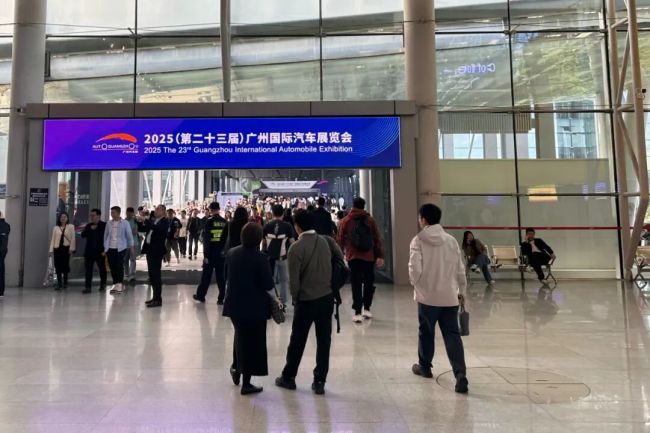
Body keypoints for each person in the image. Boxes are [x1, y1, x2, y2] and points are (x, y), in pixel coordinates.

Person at [275, 210, 344, 396]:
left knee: (297, 340)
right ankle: (319, 380)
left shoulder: (296, 248)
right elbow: (341, 262)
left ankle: (289, 377)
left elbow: (294, 282)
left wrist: (296, 299)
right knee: (324, 340)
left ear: (297, 227)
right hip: (327, 298)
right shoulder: (326, 241)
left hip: (306, 301)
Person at [408, 203, 468, 394]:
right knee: (452, 335)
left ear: (424, 219)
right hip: (449, 297)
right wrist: (462, 291)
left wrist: (418, 285)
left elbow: (414, 269)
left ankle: (425, 367)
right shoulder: (451, 241)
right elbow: (460, 269)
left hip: (427, 297)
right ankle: (460, 374)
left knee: (426, 332)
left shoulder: (418, 240)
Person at [223, 223, 274, 395]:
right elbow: (268, 284)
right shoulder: (260, 258)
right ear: (259, 239)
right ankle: (246, 382)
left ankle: (236, 368)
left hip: (234, 304)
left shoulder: (232, 253)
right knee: (253, 342)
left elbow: (225, 275)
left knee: (240, 336)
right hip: (255, 306)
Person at [336, 197, 385, 323]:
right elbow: (377, 238)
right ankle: (367, 309)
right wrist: (379, 255)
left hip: (353, 257)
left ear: (353, 206)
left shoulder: (346, 220)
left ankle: (357, 312)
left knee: (356, 284)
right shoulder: (370, 220)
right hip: (369, 256)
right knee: (369, 282)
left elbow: (340, 239)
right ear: (364, 206)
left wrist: (340, 255)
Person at [193, 202, 229, 304]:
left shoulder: (209, 221)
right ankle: (221, 298)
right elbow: (226, 239)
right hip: (221, 254)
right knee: (221, 277)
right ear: (219, 209)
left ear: (211, 210)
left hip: (210, 253)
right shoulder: (224, 222)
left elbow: (207, 240)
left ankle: (201, 296)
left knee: (206, 275)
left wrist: (205, 255)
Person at [262, 204, 293, 305]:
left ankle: (272, 303)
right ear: (283, 213)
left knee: (270, 281)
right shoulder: (287, 226)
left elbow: (264, 243)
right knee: (284, 281)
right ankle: (283, 302)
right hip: (283, 257)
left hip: (270, 257)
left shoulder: (267, 225)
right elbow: (292, 242)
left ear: (272, 213)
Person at [139, 205, 169, 308]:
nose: (155, 211)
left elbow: (158, 230)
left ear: (163, 211)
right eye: (155, 209)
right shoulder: (154, 221)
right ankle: (154, 297)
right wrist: (140, 221)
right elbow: (143, 228)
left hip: (157, 251)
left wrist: (146, 220)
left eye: (157, 209)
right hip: (150, 250)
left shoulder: (165, 221)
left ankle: (158, 299)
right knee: (151, 275)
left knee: (156, 275)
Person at [103, 206, 135, 295]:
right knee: (112, 266)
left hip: (121, 248)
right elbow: (106, 235)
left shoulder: (125, 223)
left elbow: (129, 235)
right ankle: (115, 283)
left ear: (118, 213)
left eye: (113, 212)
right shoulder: (109, 223)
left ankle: (120, 284)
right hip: (110, 248)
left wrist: (131, 247)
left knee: (119, 266)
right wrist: (105, 246)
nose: (112, 214)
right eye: (111, 212)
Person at [80, 209, 107, 294]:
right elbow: (82, 235)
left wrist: (106, 250)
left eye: (93, 215)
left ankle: (103, 284)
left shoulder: (104, 225)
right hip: (89, 252)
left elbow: (107, 238)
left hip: (100, 252)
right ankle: (88, 287)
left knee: (102, 269)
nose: (91, 217)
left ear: (98, 216)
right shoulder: (89, 225)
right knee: (88, 270)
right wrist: (90, 229)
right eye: (90, 215)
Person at [49, 212, 75, 291]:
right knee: (58, 266)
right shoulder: (56, 228)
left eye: (65, 217)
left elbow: (73, 238)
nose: (63, 218)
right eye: (61, 217)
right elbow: (53, 239)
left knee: (65, 266)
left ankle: (65, 283)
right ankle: (59, 283)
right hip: (57, 249)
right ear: (59, 218)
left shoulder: (71, 227)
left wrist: (71, 248)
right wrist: (50, 250)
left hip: (66, 249)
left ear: (67, 218)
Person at [124, 207, 139, 283]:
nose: (129, 214)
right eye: (128, 212)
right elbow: (123, 233)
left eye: (131, 212)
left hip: (134, 243)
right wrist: (130, 231)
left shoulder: (135, 221)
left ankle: (132, 276)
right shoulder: (123, 221)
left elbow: (135, 232)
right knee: (125, 260)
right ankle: (126, 275)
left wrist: (128, 232)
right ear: (126, 212)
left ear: (133, 213)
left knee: (133, 260)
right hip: (125, 244)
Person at [0, 212, 10, 298]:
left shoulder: (4, 226)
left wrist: (2, 253)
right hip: (2, 252)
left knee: (0, 271)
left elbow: (4, 241)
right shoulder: (6, 225)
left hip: (1, 253)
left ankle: (0, 291)